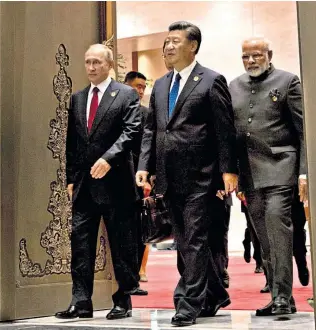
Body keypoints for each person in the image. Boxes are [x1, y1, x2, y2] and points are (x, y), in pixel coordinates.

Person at [136, 21, 238, 326]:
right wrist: (145, 165)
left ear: (192, 46)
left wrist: (228, 171)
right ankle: (214, 294)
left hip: (202, 176)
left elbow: (224, 130)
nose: (168, 46)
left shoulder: (211, 80)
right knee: (185, 240)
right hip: (169, 178)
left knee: (194, 240)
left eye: (175, 41)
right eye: (166, 41)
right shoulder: (162, 84)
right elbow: (152, 129)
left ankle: (187, 303)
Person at [55, 44, 141, 320]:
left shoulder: (125, 94)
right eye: (87, 62)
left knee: (121, 243)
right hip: (84, 186)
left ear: (108, 65)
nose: (91, 67)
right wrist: (70, 177)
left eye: (96, 62)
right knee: (81, 244)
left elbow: (131, 131)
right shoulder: (78, 98)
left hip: (116, 183)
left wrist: (109, 158)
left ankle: (123, 299)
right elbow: (72, 142)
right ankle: (80, 301)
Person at [229, 37, 306, 316]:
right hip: (249, 175)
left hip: (280, 168)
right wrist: (231, 172)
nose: (251, 61)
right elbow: (229, 135)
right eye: (246, 56)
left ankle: (283, 296)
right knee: (263, 236)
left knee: (278, 231)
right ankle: (278, 295)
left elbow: (302, 130)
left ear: (269, 55)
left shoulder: (288, 82)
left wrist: (304, 172)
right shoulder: (233, 86)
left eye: (257, 55)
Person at [124, 70, 151, 295]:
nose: (140, 91)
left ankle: (134, 275)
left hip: (140, 181)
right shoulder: (117, 111)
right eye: (136, 86)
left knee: (140, 229)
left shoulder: (146, 114)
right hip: (118, 177)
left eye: (143, 87)